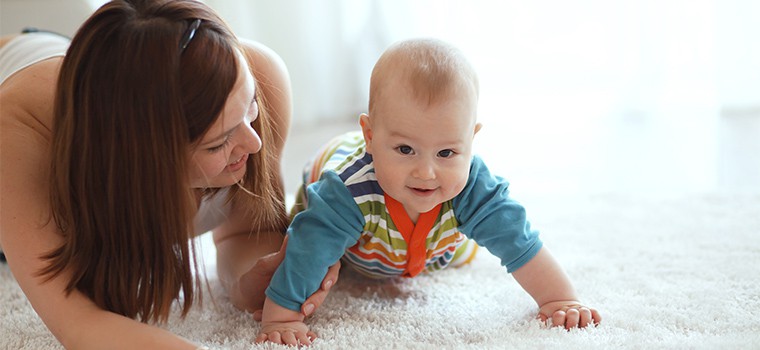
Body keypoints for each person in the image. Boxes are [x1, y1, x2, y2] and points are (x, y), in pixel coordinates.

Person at [0, 0, 340, 348]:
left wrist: (248, 281)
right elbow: (78, 322)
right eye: (216, 144)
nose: (253, 144)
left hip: (98, 64)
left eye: (249, 108)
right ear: (143, 158)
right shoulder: (21, 136)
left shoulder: (255, 74)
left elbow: (245, 230)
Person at [256, 38, 603, 346]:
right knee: (307, 235)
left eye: (447, 153)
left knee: (458, 249)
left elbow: (520, 241)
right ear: (371, 136)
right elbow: (308, 250)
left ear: (470, 140)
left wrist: (560, 300)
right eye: (405, 149)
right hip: (340, 219)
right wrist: (282, 316)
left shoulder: (473, 186)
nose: (426, 172)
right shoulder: (345, 191)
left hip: (425, 245)